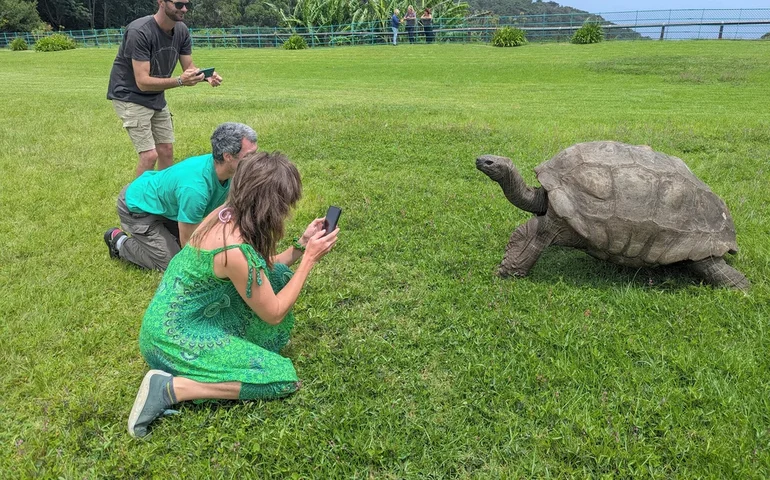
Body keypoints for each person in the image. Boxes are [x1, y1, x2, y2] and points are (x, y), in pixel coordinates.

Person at [126, 151, 339, 438]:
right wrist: (310, 260)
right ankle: (172, 388)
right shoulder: (235, 251)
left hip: (167, 324)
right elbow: (274, 312)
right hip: (173, 340)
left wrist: (301, 245)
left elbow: (261, 272)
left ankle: (196, 371)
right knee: (278, 376)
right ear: (270, 206)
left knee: (275, 277)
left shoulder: (223, 215)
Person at [104, 122, 258, 271]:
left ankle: (162, 233)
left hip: (165, 208)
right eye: (250, 155)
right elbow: (188, 243)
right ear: (228, 156)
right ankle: (119, 241)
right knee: (173, 263)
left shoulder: (229, 171)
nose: (255, 160)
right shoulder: (195, 189)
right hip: (137, 207)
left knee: (207, 240)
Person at [107, 0, 224, 177]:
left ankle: (163, 197)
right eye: (178, 4)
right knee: (149, 155)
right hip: (129, 95)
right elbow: (142, 81)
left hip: (155, 96)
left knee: (166, 150)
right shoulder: (139, 31)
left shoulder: (181, 30)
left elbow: (189, 67)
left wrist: (205, 76)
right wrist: (179, 81)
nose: (184, 9)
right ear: (161, 2)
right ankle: (134, 201)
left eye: (187, 4)